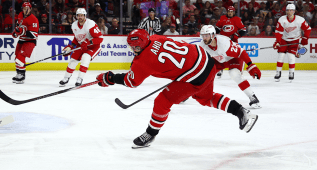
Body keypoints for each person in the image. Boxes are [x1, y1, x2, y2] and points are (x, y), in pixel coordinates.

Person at [95, 29, 259, 148]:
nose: (132, 49)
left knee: (162, 100)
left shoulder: (142, 62)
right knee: (205, 98)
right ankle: (241, 112)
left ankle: (151, 134)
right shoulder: (155, 37)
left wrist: (110, 78)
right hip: (207, 62)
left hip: (194, 76)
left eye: (134, 47)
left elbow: (132, 81)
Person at [199, 25, 261, 108]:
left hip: (233, 59)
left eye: (206, 35)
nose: (204, 38)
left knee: (234, 74)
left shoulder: (224, 43)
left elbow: (241, 52)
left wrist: (251, 65)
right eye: (203, 36)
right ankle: (188, 93)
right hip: (219, 60)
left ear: (213, 35)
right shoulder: (202, 46)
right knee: (204, 76)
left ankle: (252, 97)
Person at [59, 8, 103, 87]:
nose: (80, 17)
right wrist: (71, 46)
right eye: (78, 16)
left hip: (93, 46)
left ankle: (80, 78)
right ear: (76, 16)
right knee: (73, 60)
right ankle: (66, 78)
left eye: (82, 16)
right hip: (81, 45)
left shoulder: (90, 24)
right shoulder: (74, 25)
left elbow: (100, 38)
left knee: (85, 58)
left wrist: (88, 42)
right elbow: (77, 38)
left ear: (85, 16)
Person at [273, 4, 311, 82]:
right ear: (286, 11)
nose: (289, 12)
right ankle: (278, 72)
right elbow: (278, 32)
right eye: (287, 10)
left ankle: (291, 73)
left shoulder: (300, 20)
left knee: (291, 56)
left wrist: (305, 38)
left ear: (294, 11)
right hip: (284, 39)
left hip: (295, 40)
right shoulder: (282, 19)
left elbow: (308, 29)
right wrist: (277, 41)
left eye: (291, 10)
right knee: (281, 55)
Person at [11, 2, 39, 84]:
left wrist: (22, 32)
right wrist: (15, 32)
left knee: (21, 56)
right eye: (24, 8)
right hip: (22, 40)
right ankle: (18, 73)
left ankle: (22, 75)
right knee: (17, 57)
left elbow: (35, 35)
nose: (26, 10)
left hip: (30, 41)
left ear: (30, 9)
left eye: (28, 8)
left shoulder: (34, 19)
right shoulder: (20, 15)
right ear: (22, 9)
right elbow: (18, 26)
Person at [215, 6, 247, 78]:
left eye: (231, 12)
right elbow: (217, 28)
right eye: (229, 11)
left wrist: (236, 36)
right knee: (220, 54)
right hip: (223, 41)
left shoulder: (237, 19)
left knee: (234, 55)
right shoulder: (222, 18)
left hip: (233, 41)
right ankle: (220, 69)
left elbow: (243, 30)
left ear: (234, 12)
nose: (230, 13)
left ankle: (238, 69)